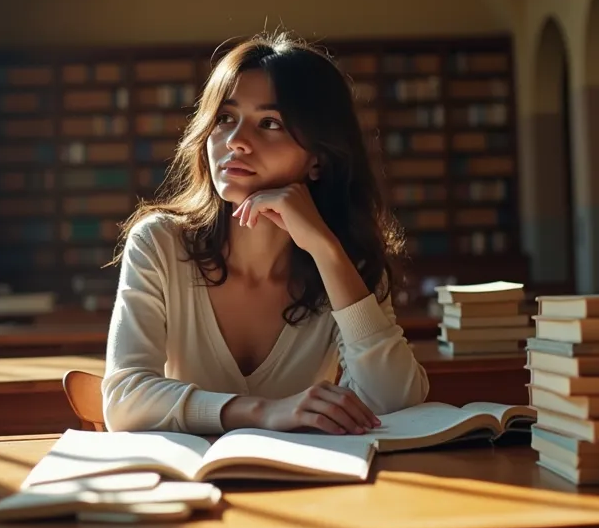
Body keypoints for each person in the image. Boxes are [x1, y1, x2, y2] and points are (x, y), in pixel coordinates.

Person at [102, 31, 430, 436]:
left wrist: (326, 251)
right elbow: (124, 400)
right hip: (193, 474)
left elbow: (396, 402)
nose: (236, 141)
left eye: (269, 123)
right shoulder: (159, 243)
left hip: (308, 475)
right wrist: (263, 412)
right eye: (225, 118)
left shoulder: (348, 261)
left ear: (317, 159)